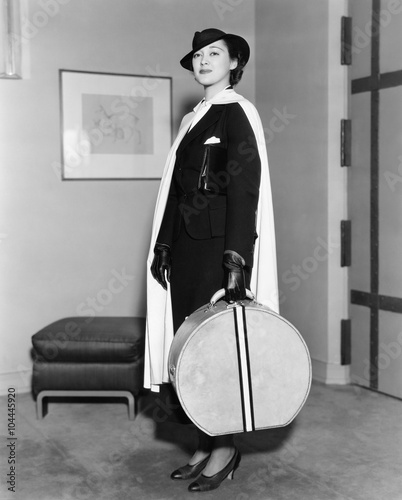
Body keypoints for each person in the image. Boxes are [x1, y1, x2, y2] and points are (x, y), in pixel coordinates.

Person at [144, 28, 279, 492]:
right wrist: (164, 243)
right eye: (198, 54)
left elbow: (245, 192)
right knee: (187, 352)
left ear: (234, 62)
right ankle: (203, 441)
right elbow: (174, 192)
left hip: (219, 248)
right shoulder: (193, 119)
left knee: (217, 351)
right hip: (184, 248)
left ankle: (225, 448)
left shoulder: (239, 114)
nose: (203, 61)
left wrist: (236, 264)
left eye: (214, 54)